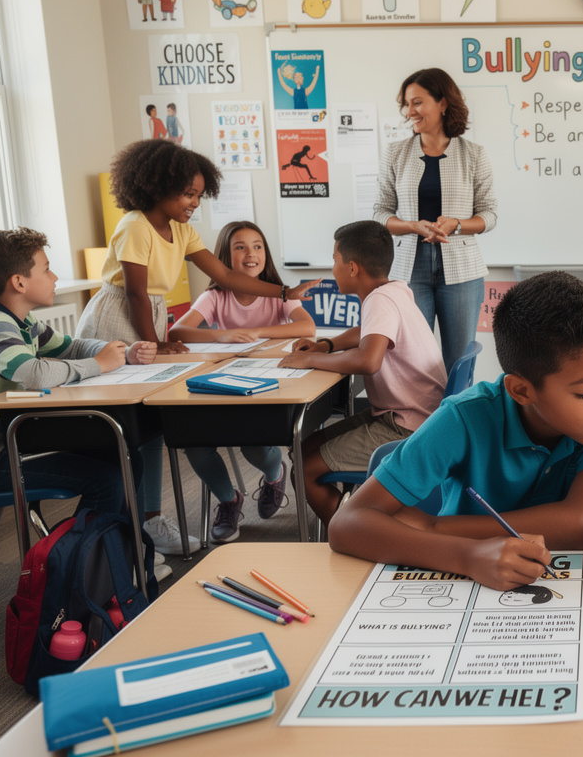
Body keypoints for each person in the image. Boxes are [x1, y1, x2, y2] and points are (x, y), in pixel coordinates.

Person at [328, 271, 583, 590]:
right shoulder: (463, 417)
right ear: (521, 391)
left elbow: (581, 524)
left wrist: (434, 527)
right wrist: (467, 556)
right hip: (461, 584)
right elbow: (346, 524)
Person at [78, 139, 318, 554]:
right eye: (187, 193)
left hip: (147, 315)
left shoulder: (182, 231)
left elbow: (226, 275)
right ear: (158, 185)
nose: (194, 203)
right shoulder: (134, 225)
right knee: (136, 427)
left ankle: (148, 523)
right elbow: (134, 292)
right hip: (117, 317)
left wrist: (284, 291)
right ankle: (134, 524)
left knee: (152, 428)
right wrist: (156, 341)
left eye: (198, 195)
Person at [0, 229, 170, 581]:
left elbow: (71, 347)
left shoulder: (21, 320)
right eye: (46, 269)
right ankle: (90, 575)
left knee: (126, 455)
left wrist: (120, 352)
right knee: (104, 479)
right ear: (19, 282)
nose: (55, 276)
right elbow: (34, 374)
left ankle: (120, 555)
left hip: (6, 450)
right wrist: (100, 365)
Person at [279, 220, 446, 524]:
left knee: (303, 468)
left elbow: (369, 360)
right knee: (305, 448)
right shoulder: (393, 292)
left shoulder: (379, 300)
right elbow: (368, 333)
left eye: (334, 260)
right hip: (414, 414)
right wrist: (326, 346)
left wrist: (308, 361)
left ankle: (353, 535)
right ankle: (354, 516)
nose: (333, 268)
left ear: (353, 268)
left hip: (407, 425)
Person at [168, 221, 317, 542]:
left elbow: (306, 328)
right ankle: (228, 499)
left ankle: (274, 474)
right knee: (195, 445)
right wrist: (222, 335)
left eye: (257, 246)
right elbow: (177, 332)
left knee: (255, 447)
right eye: (240, 247)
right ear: (225, 257)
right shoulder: (215, 296)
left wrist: (259, 332)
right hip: (222, 386)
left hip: (268, 388)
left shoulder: (279, 292)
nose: (251, 254)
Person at [377, 67, 498, 372]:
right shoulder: (395, 153)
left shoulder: (474, 154)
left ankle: (455, 419)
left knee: (459, 360)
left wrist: (456, 223)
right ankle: (420, 421)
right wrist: (411, 226)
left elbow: (490, 214)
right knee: (413, 358)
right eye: (406, 104)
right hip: (409, 268)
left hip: (461, 270)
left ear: (442, 103)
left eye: (417, 102)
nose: (410, 111)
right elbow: (381, 212)